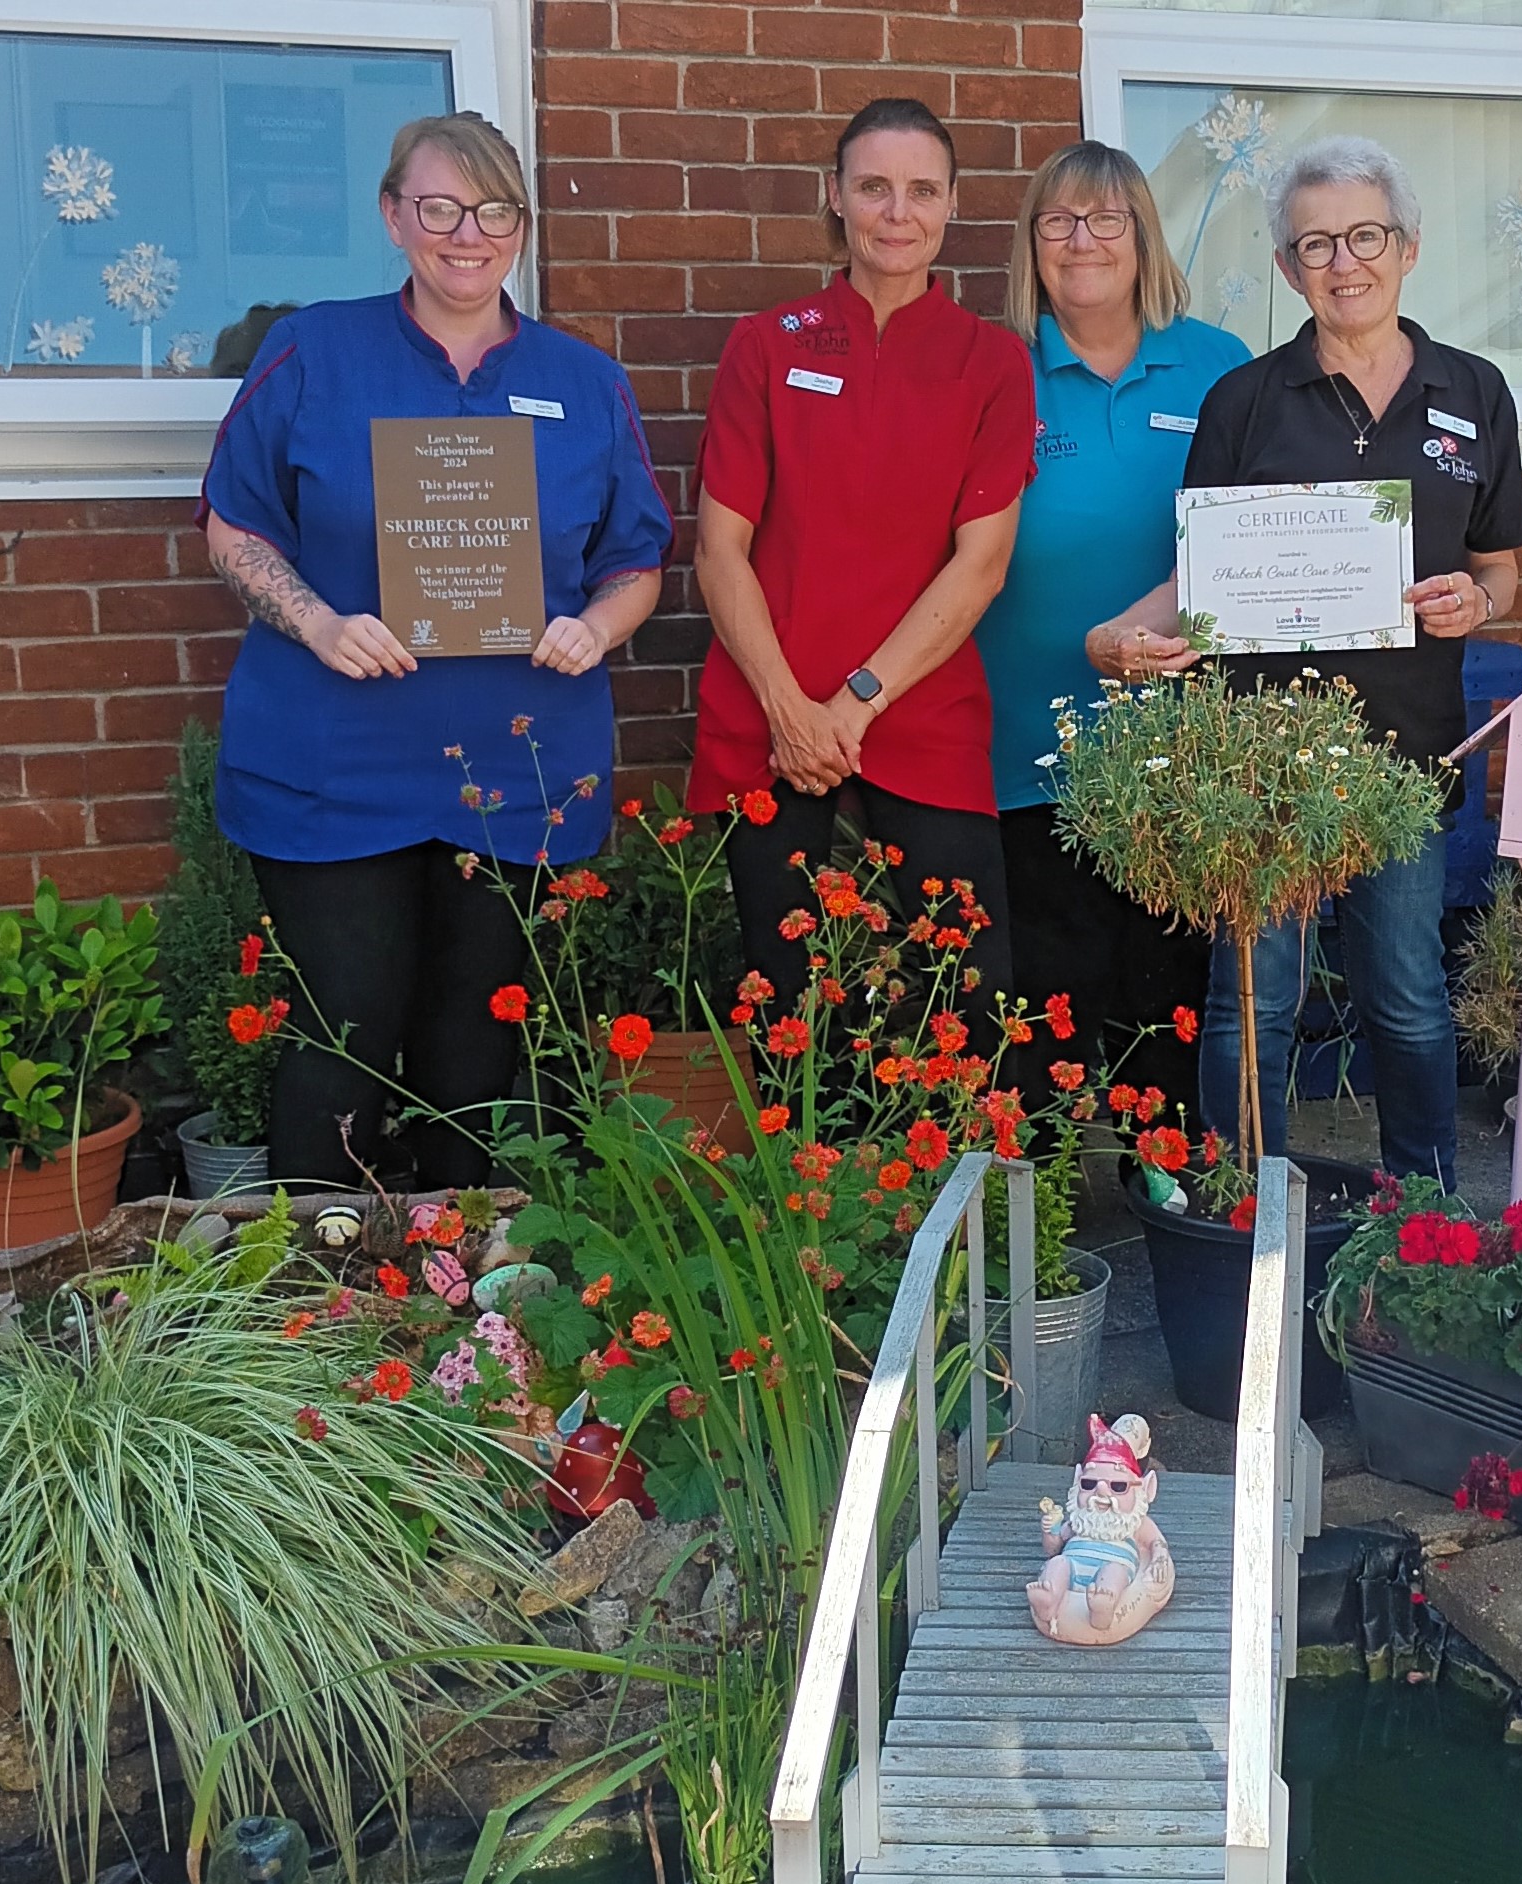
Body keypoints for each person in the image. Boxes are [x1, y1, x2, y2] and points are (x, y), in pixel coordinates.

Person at [199, 111, 670, 1188]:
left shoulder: (584, 382)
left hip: (514, 767)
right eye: (440, 207)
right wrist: (318, 619)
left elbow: (636, 559)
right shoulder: (314, 350)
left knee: (478, 1048)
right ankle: (324, 1304)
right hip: (333, 761)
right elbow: (233, 521)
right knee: (347, 1033)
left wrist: (593, 626)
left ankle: (468, 1318)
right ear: (393, 217)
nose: (469, 233)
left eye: (494, 208)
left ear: (521, 224)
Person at [1101, 137, 1522, 1189]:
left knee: (1408, 996)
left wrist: (1475, 600)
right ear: (1290, 269)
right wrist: (1119, 637)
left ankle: (1419, 1210)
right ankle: (1240, 1203)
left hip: (1405, 756)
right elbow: (1203, 577)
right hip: (1265, 769)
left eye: (1364, 236)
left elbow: (1503, 566)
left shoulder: (1473, 391)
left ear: (1408, 246)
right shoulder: (1244, 402)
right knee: (1255, 999)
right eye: (1316, 244)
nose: (1345, 262)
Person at [688, 98, 1035, 1013]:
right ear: (834, 196)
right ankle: (811, 1164)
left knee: (967, 991)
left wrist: (851, 706)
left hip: (920, 710)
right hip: (771, 713)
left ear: (953, 204)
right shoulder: (765, 345)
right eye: (874, 187)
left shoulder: (992, 361)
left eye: (922, 190)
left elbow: (982, 563)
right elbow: (720, 549)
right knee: (786, 997)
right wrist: (790, 711)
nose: (897, 212)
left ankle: (962, 1164)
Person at [975, 142, 1247, 1087]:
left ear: (1143, 236)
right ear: (1030, 244)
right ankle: (1038, 1216)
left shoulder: (1216, 366)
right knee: (1042, 998)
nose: (1080, 240)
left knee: (1162, 996)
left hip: (1172, 742)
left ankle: (1161, 1196)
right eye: (1057, 221)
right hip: (1020, 736)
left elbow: (1250, 536)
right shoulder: (993, 365)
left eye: (1105, 219)